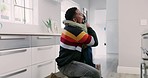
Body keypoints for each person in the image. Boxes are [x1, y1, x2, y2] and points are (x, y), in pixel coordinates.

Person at [56, 7, 101, 78]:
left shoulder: (69, 28)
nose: (82, 16)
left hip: (68, 62)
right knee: (96, 74)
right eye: (80, 14)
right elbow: (95, 42)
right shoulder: (76, 31)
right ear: (74, 19)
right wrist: (89, 27)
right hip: (67, 65)